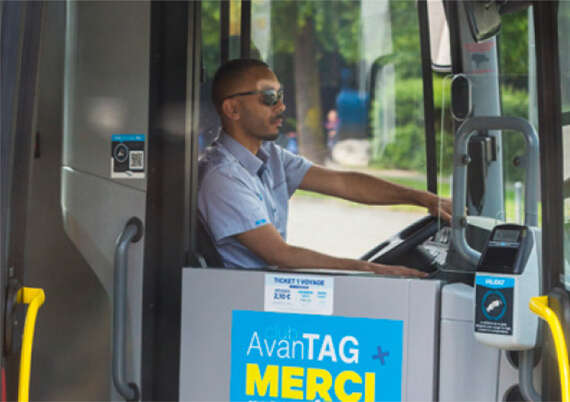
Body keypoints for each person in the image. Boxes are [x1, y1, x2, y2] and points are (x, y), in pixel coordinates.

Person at [198, 59, 452, 277]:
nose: (281, 107)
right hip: (245, 306)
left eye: (281, 96)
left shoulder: (270, 156)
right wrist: (372, 271)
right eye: (269, 98)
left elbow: (344, 183)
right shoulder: (222, 177)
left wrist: (424, 199)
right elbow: (281, 255)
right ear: (232, 108)